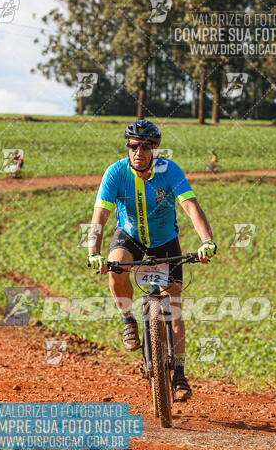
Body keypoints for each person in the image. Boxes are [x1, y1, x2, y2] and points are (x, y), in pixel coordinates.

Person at [88, 119, 217, 401]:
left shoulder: (168, 171)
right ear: (128, 147)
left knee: (174, 304)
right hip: (129, 235)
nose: (139, 151)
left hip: (164, 241)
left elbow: (190, 206)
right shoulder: (116, 173)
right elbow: (101, 215)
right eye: (134, 145)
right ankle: (128, 319)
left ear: (155, 149)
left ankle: (180, 373)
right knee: (116, 265)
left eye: (146, 146)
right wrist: (93, 251)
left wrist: (206, 241)